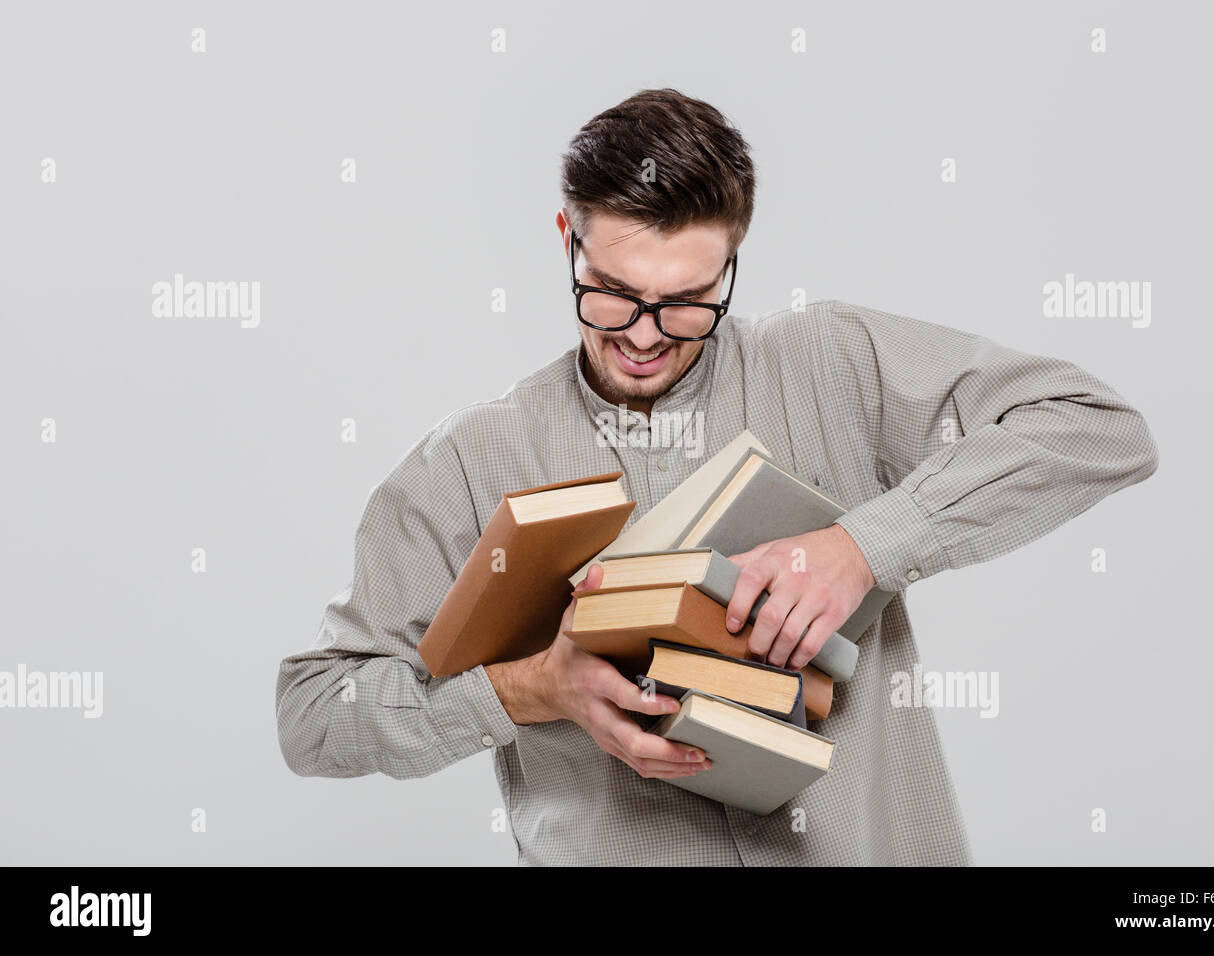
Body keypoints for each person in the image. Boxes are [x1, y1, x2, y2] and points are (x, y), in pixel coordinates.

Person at [275, 88, 1159, 865]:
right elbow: (314, 716)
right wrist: (534, 687)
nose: (647, 334)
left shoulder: (830, 361)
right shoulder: (468, 463)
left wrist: (868, 543)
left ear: (733, 258)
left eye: (689, 300)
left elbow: (1097, 429)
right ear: (566, 240)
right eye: (612, 291)